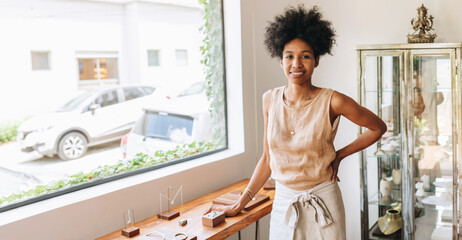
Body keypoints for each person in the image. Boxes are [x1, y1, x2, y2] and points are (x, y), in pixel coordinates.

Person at [205, 5, 387, 240]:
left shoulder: (333, 101)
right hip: (283, 203)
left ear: (317, 60)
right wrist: (241, 203)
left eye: (305, 56)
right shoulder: (269, 99)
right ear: (280, 61)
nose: (296, 64)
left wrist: (339, 155)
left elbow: (377, 127)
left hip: (324, 202)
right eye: (289, 56)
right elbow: (267, 159)